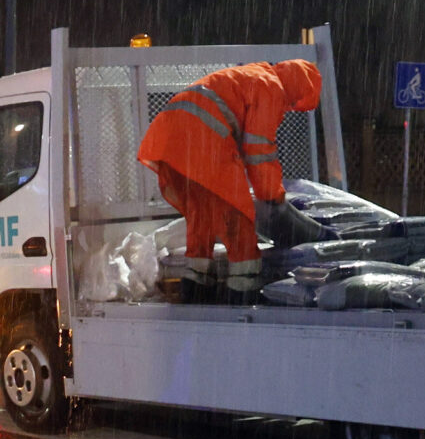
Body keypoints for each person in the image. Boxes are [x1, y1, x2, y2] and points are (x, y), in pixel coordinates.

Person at [136, 60, 326, 277]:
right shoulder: (271, 87)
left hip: (167, 139)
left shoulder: (249, 76)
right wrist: (272, 197)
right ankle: (244, 284)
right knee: (238, 214)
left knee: (202, 214)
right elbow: (259, 151)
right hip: (203, 140)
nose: (290, 106)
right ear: (297, 86)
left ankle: (197, 279)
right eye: (294, 101)